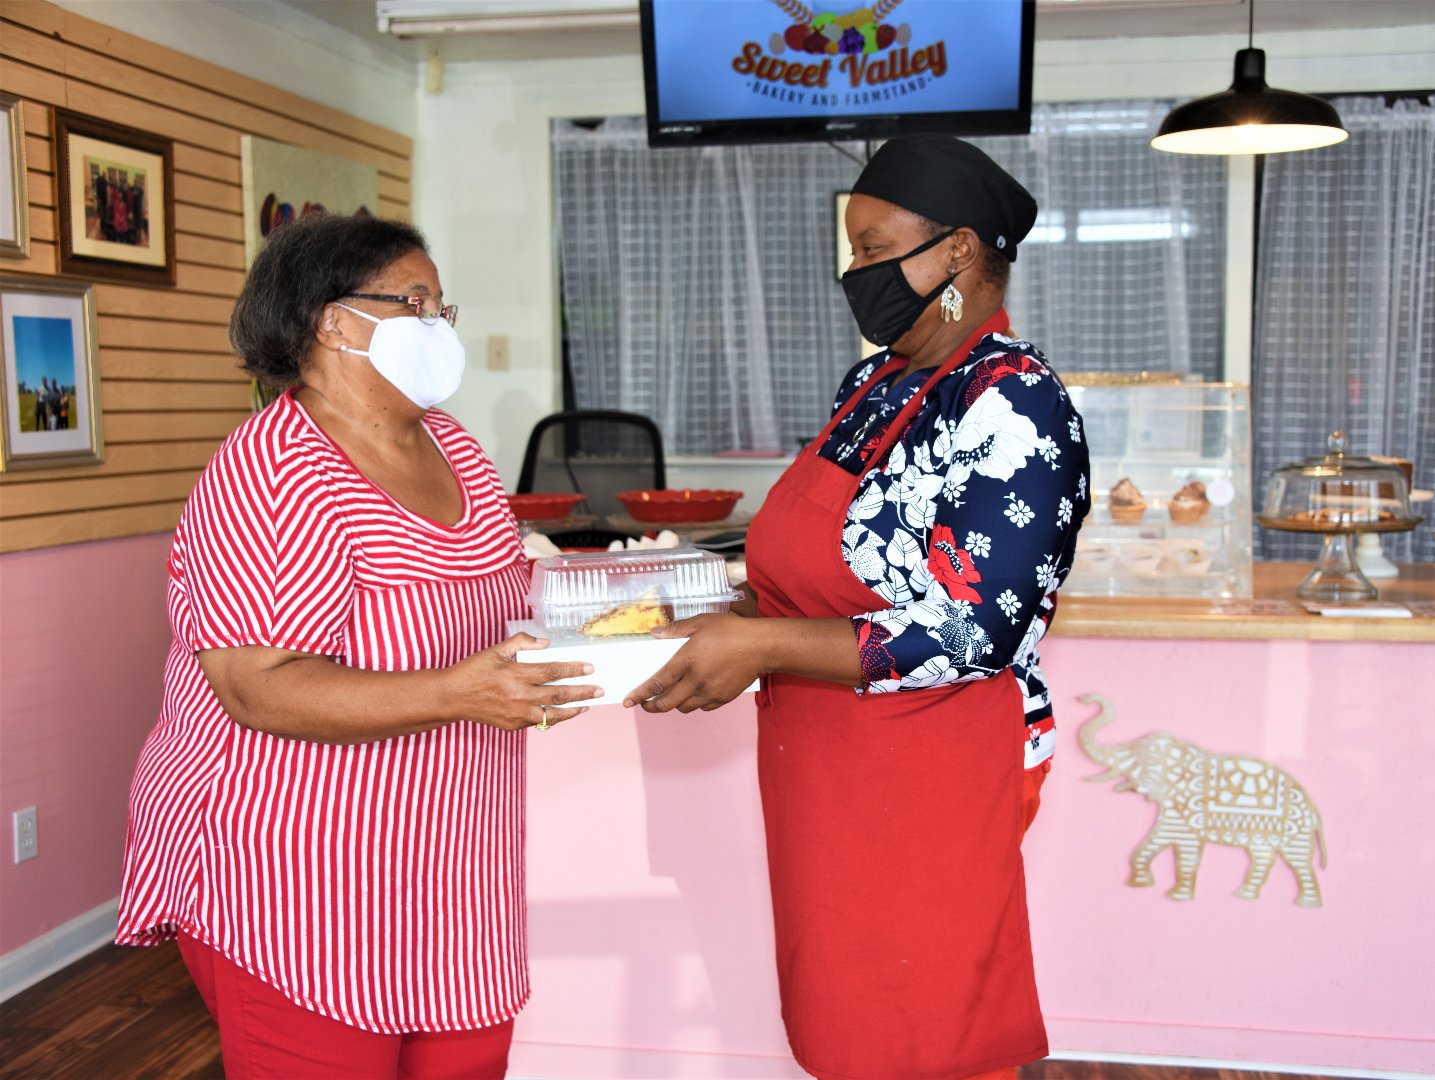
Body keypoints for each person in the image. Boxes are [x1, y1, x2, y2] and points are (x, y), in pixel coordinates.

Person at [626, 136, 1091, 1080]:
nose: (857, 274)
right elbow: (819, 564)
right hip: (822, 757)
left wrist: (758, 644)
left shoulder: (1014, 402)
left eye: (876, 251)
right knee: (844, 1010)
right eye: (855, 253)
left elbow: (978, 629)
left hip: (927, 762)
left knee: (921, 1017)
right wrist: (718, 608)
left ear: (958, 252)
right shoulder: (874, 385)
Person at [116, 213, 602, 1079]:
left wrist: (621, 620)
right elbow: (258, 686)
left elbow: (501, 596)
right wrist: (458, 693)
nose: (438, 323)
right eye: (416, 301)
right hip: (295, 881)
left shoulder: (454, 447)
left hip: (452, 874)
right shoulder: (272, 470)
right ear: (332, 321)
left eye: (441, 306)